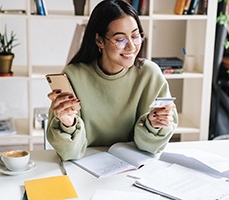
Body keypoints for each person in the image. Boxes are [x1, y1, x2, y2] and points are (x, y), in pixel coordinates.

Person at [47, 0, 178, 160]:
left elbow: (151, 148)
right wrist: (68, 124)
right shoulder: (74, 75)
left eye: (136, 36)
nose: (131, 47)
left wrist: (154, 124)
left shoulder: (150, 74)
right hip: (85, 166)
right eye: (120, 39)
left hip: (135, 167)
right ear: (99, 41)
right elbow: (70, 153)